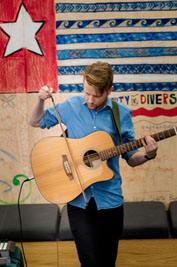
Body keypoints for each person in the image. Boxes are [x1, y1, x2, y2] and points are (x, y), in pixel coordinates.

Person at [29, 61, 158, 267]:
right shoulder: (71, 106)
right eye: (86, 92)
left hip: (111, 199)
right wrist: (40, 100)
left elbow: (131, 158)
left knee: (107, 262)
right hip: (79, 201)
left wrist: (148, 155)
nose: (90, 99)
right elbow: (35, 121)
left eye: (96, 95)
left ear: (109, 90)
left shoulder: (121, 113)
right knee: (90, 261)